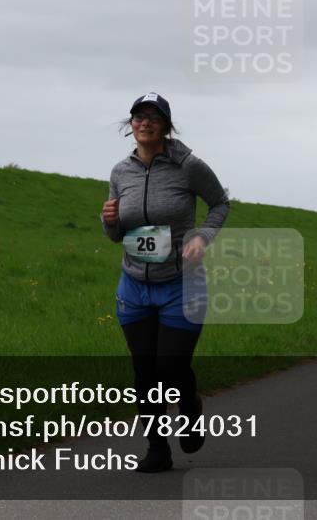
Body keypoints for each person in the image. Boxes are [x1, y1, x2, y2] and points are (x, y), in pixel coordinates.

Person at [100, 92, 230, 473]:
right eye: (138, 116)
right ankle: (157, 449)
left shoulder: (188, 166)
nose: (145, 122)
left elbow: (220, 203)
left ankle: (190, 408)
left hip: (180, 282)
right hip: (134, 283)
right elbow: (114, 233)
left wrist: (202, 236)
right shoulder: (119, 172)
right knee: (145, 371)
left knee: (171, 369)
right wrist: (108, 219)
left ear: (166, 125)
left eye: (153, 116)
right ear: (131, 125)